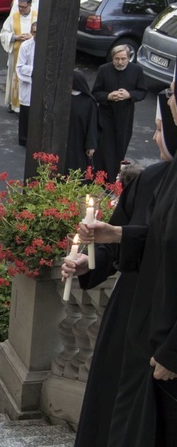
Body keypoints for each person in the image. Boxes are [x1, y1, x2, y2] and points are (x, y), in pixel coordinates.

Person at [62, 94, 176, 447]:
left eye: (161, 129)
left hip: (160, 323)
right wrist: (89, 261)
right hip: (129, 315)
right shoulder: (149, 180)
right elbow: (120, 241)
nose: (156, 137)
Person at [92, 44, 147, 183]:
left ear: (129, 58)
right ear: (112, 58)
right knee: (104, 148)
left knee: (120, 147)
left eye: (123, 59)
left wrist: (129, 95)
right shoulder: (104, 70)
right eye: (117, 59)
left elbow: (142, 92)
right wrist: (108, 96)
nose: (120, 62)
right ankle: (101, 178)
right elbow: (96, 93)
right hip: (106, 115)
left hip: (125, 116)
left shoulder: (136, 70)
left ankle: (115, 179)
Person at [0, 0, 37, 113]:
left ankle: (27, 106)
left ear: (30, 5)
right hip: (16, 52)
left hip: (32, 54)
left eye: (24, 7)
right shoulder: (13, 16)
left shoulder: (36, 16)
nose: (21, 9)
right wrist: (15, 37)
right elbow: (3, 33)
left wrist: (32, 36)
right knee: (15, 79)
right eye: (19, 6)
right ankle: (14, 104)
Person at [64, 70, 98, 175]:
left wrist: (91, 145)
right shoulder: (63, 97)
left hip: (80, 140)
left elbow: (92, 125)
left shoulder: (89, 102)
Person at [15, 21, 37, 146]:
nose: (36, 35)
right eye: (34, 32)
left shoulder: (46, 45)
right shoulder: (26, 46)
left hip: (41, 84)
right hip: (28, 83)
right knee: (26, 113)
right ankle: (24, 139)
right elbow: (20, 67)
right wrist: (35, 70)